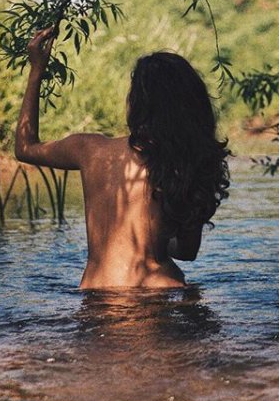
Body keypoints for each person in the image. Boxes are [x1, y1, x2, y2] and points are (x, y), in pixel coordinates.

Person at [15, 27, 230, 289]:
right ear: (192, 107)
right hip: (160, 294)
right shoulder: (183, 162)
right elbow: (187, 251)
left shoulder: (90, 150)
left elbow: (25, 147)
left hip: (96, 297)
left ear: (136, 102)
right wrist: (157, 238)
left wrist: (36, 71)